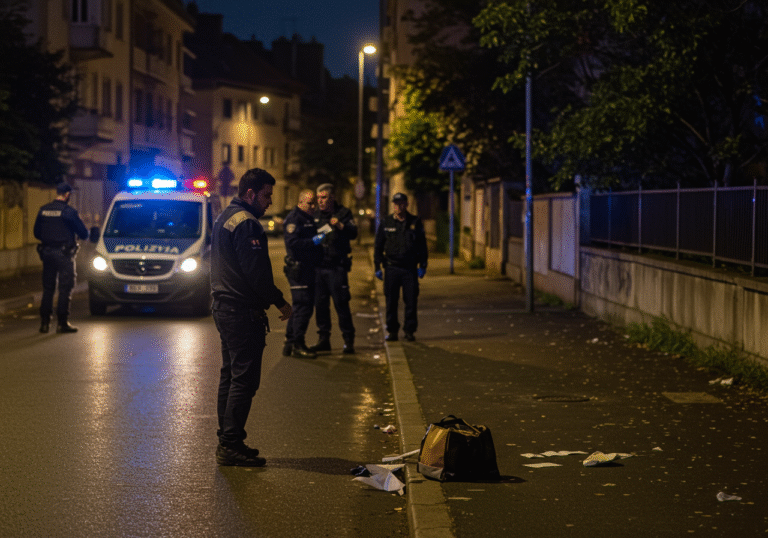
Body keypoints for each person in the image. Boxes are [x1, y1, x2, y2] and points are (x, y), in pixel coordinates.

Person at [210, 168, 292, 467]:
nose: (269, 202)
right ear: (250, 193)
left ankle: (229, 440)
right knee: (243, 381)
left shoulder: (224, 216)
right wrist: (279, 301)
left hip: (223, 306)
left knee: (230, 376)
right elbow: (256, 274)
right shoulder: (247, 225)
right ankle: (230, 444)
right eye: (267, 195)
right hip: (241, 312)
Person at [33, 182, 89, 334]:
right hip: (64, 254)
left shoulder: (43, 210)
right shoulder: (68, 211)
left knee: (48, 288)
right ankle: (62, 323)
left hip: (47, 253)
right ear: (67, 195)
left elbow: (37, 233)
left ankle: (44, 324)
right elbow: (84, 233)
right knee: (65, 288)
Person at [374, 192, 428, 342]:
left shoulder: (415, 222)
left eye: (402, 203)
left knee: (410, 301)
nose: (399, 206)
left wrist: (423, 264)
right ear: (393, 205)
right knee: (391, 301)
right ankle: (392, 331)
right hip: (391, 268)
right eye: (396, 204)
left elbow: (422, 245)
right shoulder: (386, 223)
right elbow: (378, 246)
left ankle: (409, 330)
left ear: (406, 204)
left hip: (409, 269)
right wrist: (377, 266)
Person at [311, 183, 357, 354]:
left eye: (324, 198)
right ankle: (324, 339)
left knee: (341, 304)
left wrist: (340, 226)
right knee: (320, 305)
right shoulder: (315, 215)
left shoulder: (343, 213)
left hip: (337, 267)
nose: (320, 201)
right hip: (319, 267)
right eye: (319, 198)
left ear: (332, 197)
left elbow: (353, 233)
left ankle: (348, 340)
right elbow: (310, 239)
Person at [282, 189, 324, 359]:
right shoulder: (295, 219)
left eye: (314, 203)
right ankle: (298, 344)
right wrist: (312, 242)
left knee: (300, 307)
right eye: (310, 203)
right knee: (303, 307)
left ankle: (290, 342)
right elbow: (293, 242)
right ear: (300, 203)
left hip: (308, 268)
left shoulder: (307, 218)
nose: (313, 206)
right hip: (299, 269)